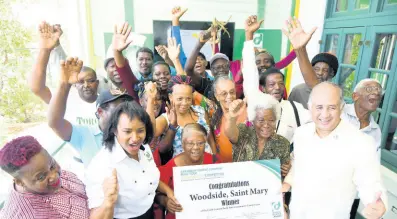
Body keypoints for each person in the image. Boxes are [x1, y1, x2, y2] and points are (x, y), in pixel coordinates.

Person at [282, 82, 387, 219]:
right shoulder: (302, 133)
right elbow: (298, 164)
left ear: (341, 108)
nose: (325, 115)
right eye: (319, 107)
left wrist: (376, 202)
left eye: (332, 107)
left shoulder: (361, 142)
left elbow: (370, 181)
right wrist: (287, 183)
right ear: (310, 108)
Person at [85, 101, 179, 219]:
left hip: (149, 213)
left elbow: (148, 176)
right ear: (114, 130)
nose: (135, 139)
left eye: (140, 130)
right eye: (127, 131)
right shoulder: (101, 166)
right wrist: (108, 202)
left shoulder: (144, 149)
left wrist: (168, 192)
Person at [47, 57, 145, 166]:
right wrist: (64, 84)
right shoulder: (84, 134)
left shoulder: (129, 134)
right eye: (118, 110)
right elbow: (54, 123)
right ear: (100, 112)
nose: (123, 114)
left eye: (125, 109)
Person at [241, 16, 309, 144]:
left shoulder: (295, 108)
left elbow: (317, 124)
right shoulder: (256, 100)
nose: (277, 87)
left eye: (280, 83)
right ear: (263, 88)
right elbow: (250, 70)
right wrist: (249, 35)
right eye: (271, 84)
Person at [28, 21, 99, 127]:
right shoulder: (65, 100)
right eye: (80, 81)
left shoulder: (107, 102)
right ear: (74, 84)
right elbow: (37, 88)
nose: (86, 85)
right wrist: (45, 50)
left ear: (97, 82)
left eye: (90, 80)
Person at [0, 136, 90, 218]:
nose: (54, 176)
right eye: (41, 177)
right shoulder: (35, 215)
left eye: (52, 165)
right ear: (20, 182)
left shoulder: (35, 172)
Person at [158, 123, 221, 219]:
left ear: (205, 142)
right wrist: (165, 201)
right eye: (190, 143)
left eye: (200, 143)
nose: (196, 147)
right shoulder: (170, 168)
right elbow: (154, 194)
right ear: (183, 144)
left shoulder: (214, 161)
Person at [341, 79, 383, 219]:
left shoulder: (375, 130)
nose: (376, 92)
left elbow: (372, 168)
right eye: (370, 89)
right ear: (355, 96)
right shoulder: (338, 113)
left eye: (378, 91)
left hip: (351, 196)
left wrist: (375, 199)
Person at [155, 75, 216, 157]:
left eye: (188, 99)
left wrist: (215, 159)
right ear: (170, 97)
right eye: (180, 99)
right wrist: (172, 126)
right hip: (183, 167)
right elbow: (160, 148)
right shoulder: (165, 119)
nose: (184, 103)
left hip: (208, 164)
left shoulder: (201, 111)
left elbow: (210, 140)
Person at [210, 75, 248, 162]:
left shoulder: (247, 113)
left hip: (245, 167)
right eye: (224, 93)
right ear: (216, 96)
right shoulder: (215, 116)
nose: (229, 96)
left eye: (232, 92)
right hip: (224, 169)